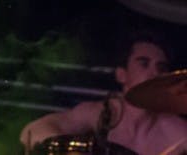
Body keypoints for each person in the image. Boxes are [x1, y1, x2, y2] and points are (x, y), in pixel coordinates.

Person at [20, 33, 187, 155]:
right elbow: (33, 131)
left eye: (161, 68)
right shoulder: (102, 113)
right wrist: (72, 148)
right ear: (121, 74)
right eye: (144, 64)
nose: (154, 73)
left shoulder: (176, 131)